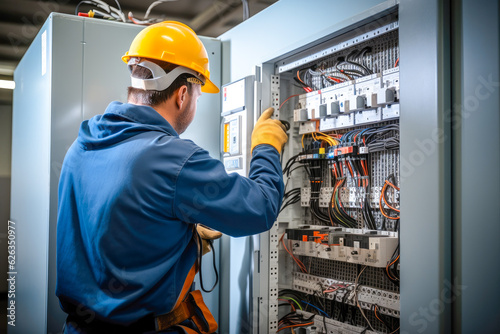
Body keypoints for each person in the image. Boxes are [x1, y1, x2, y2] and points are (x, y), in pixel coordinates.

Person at [56, 21, 288, 334]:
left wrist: (180, 230)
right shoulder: (173, 159)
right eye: (197, 94)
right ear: (182, 94)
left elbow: (117, 226)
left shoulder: (84, 142)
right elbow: (259, 208)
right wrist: (265, 147)